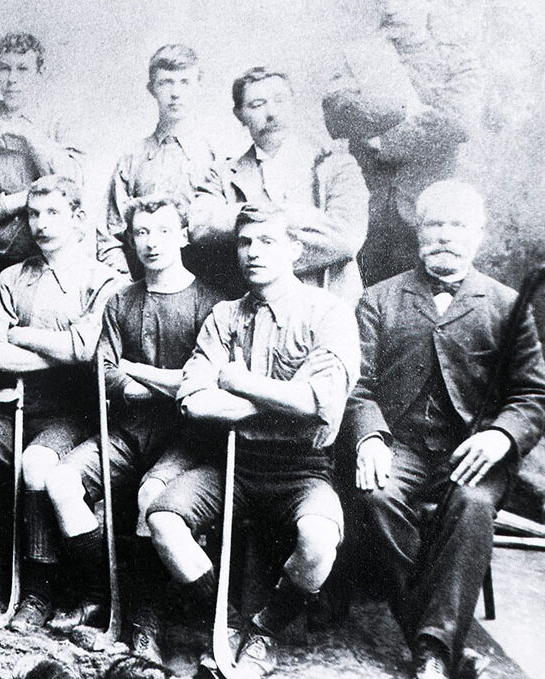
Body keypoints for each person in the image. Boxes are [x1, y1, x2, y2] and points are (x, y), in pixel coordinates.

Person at [147, 203, 359, 678]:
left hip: (302, 468)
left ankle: (264, 631)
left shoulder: (329, 312)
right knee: (162, 517)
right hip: (234, 462)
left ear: (295, 250)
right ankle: (226, 625)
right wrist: (283, 403)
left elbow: (318, 401)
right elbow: (194, 401)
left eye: (267, 241)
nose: (253, 252)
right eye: (245, 242)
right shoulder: (224, 316)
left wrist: (237, 381)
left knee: (320, 539)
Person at [344, 181, 545, 679]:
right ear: (418, 230)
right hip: (401, 446)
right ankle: (445, 642)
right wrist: (370, 436)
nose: (445, 236)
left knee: (473, 505)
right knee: (377, 495)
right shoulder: (378, 299)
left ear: (478, 234)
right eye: (435, 224)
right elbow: (357, 386)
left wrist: (501, 435)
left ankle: (434, 651)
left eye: (458, 225)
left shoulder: (506, 304)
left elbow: (534, 394)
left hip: (474, 452)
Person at [44, 198, 225, 663]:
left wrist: (138, 372)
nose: (151, 242)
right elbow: (104, 372)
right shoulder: (120, 299)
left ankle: (147, 622)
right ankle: (99, 594)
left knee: (150, 498)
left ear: (183, 236)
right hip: (126, 431)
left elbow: (200, 382)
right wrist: (147, 382)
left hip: (187, 439)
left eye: (163, 231)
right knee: (60, 480)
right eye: (141, 232)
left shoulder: (213, 303)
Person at [0, 175, 121, 630]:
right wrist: (55, 352)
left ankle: (39, 592)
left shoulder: (104, 281)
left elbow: (87, 350)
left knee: (37, 463)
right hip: (14, 403)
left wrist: (20, 338)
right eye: (33, 214)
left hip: (75, 411)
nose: (41, 224)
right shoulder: (11, 278)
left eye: (53, 213)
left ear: (79, 219)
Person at [322, 0, 481, 286]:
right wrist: (399, 110)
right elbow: (337, 111)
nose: (391, 9)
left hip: (430, 210)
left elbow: (456, 122)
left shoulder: (457, 60)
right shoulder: (361, 56)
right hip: (367, 209)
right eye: (384, 1)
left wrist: (384, 141)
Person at [190, 67, 368, 304]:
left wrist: (255, 238)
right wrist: (285, 214)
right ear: (239, 114)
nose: (271, 113)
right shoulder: (220, 174)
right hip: (251, 308)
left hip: (326, 304)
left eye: (280, 100)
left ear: (293, 105)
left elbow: (346, 238)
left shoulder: (335, 164)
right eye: (257, 104)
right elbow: (200, 226)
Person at [0, 32, 84, 316]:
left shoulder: (59, 122)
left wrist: (30, 137)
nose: (12, 79)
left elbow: (75, 188)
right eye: (4, 68)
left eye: (23, 69)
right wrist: (23, 199)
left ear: (40, 72)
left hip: (43, 260)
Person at [98, 44, 216, 279]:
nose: (175, 93)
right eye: (165, 82)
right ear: (151, 88)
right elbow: (109, 237)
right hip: (142, 287)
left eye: (185, 82)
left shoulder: (216, 157)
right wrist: (126, 286)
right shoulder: (132, 158)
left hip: (206, 288)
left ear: (199, 86)